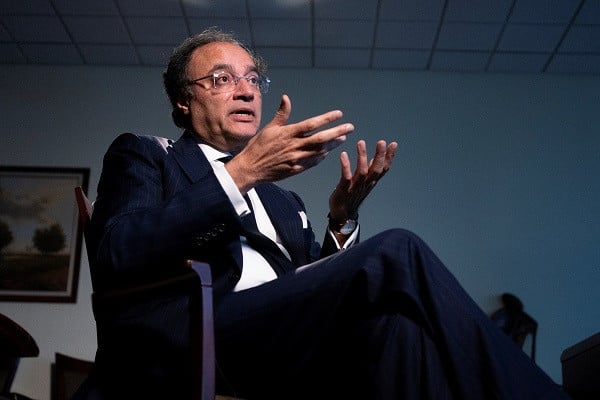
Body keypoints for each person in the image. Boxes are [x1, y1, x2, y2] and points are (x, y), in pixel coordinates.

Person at [75, 27, 570, 400]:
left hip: (286, 338)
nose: (246, 90)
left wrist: (341, 220)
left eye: (253, 79)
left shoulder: (283, 200)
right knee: (397, 248)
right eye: (221, 79)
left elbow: (313, 278)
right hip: (199, 339)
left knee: (399, 333)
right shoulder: (146, 155)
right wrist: (241, 173)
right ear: (184, 101)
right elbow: (118, 250)